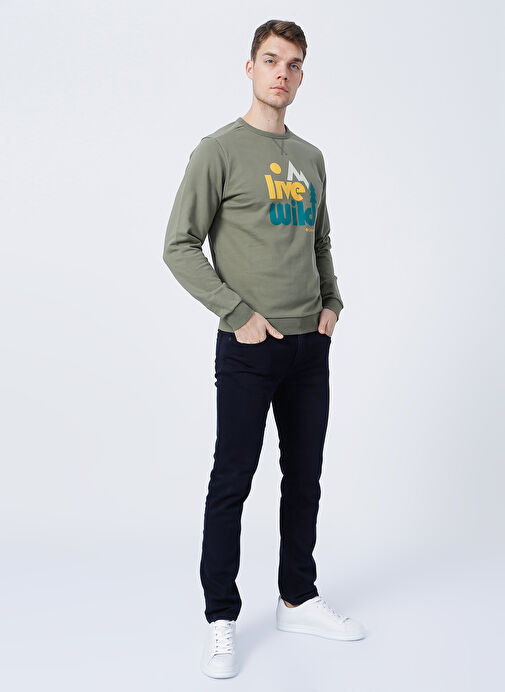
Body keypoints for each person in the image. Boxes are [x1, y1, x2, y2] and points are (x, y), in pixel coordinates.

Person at [163, 19, 367, 679]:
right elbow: (179, 246)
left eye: (294, 64)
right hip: (249, 348)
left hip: (310, 346)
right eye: (272, 60)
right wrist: (237, 314)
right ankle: (220, 618)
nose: (282, 73)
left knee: (304, 477)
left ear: (302, 77)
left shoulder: (311, 158)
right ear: (249, 67)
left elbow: (319, 241)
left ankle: (297, 598)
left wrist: (332, 303)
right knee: (232, 481)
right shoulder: (218, 151)